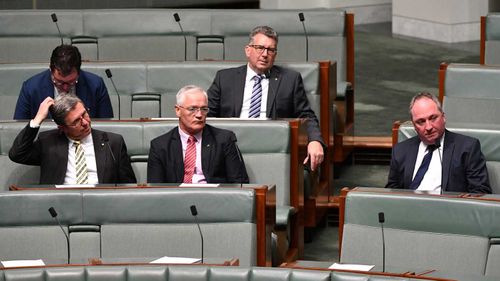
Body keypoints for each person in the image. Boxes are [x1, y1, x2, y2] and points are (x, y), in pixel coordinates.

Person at [207, 25, 325, 171]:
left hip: (271, 145)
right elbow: (207, 114)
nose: (265, 54)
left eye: (270, 50)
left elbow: (306, 116)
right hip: (231, 144)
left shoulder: (290, 80)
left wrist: (314, 140)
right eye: (260, 48)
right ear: (248, 50)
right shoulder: (225, 78)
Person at [9, 95, 136, 185]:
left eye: (84, 114)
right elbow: (17, 154)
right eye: (76, 121)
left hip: (103, 204)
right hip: (59, 206)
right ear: (62, 127)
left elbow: (128, 185)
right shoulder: (48, 142)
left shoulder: (113, 142)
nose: (85, 122)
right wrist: (37, 120)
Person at [386, 92, 491, 193]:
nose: (428, 127)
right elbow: (392, 192)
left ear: (443, 117)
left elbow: (480, 192)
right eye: (421, 122)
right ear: (414, 125)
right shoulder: (401, 151)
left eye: (433, 118)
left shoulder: (467, 148)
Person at [147, 85, 249, 184]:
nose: (199, 115)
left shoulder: (224, 140)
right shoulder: (160, 145)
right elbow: (156, 189)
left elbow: (239, 183)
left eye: (204, 109)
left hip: (214, 198)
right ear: (178, 110)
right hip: (176, 199)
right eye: (192, 109)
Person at [13, 44, 113, 120]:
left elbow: (106, 125)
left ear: (79, 72)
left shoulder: (95, 85)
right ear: (50, 70)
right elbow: (20, 129)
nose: (65, 88)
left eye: (71, 82)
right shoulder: (31, 88)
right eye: (59, 82)